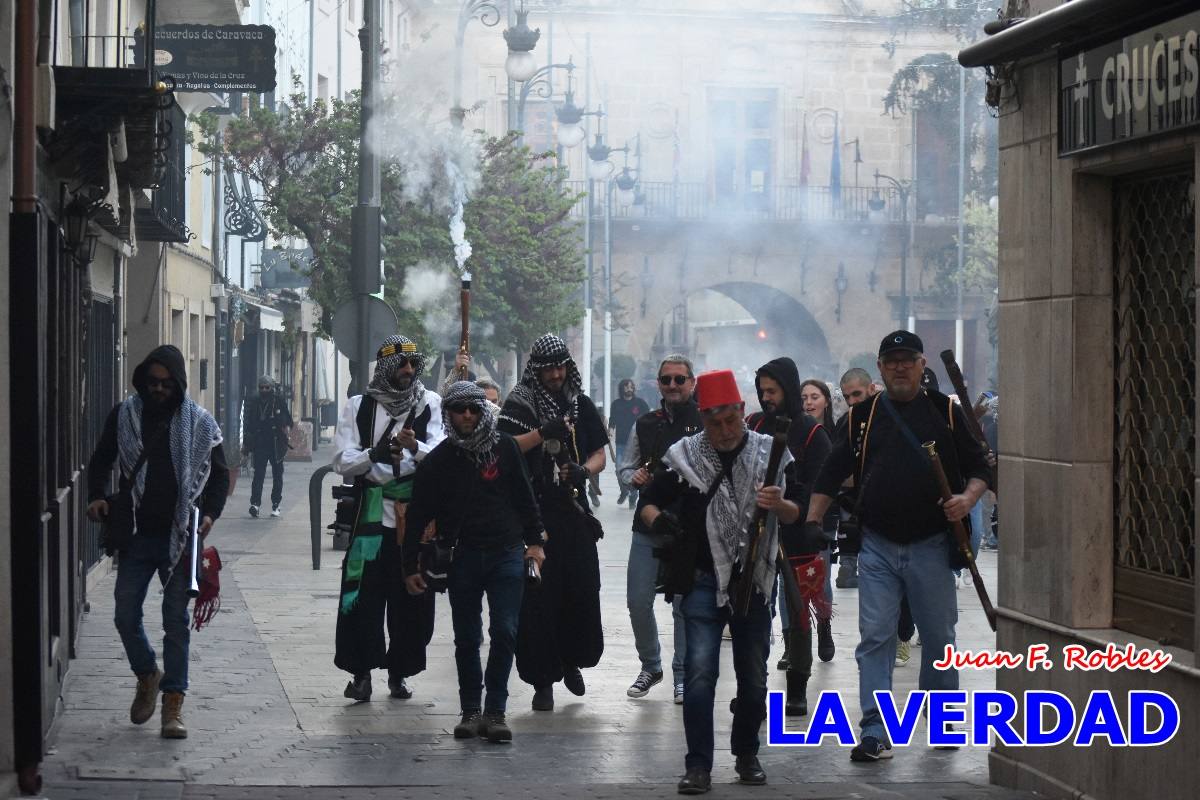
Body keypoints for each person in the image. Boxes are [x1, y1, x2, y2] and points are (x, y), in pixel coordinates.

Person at [806, 331, 990, 762]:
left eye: (908, 360)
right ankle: (875, 728)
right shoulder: (860, 418)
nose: (900, 367)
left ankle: (943, 718)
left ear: (922, 364)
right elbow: (829, 475)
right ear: (881, 367)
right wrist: (813, 522)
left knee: (940, 638)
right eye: (892, 361)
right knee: (876, 636)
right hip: (878, 546)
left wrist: (967, 498)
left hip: (931, 543)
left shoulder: (945, 411)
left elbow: (980, 467)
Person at [641, 370, 800, 793]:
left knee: (754, 679)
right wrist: (666, 522)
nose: (725, 431)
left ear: (742, 412)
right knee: (698, 676)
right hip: (699, 581)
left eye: (731, 420)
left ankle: (747, 753)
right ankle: (698, 766)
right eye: (715, 423)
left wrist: (779, 503)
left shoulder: (772, 454)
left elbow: (797, 514)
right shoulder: (684, 457)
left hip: (755, 581)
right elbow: (648, 502)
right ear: (703, 418)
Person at [86, 345, 229, 739]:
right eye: (152, 382)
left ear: (179, 383)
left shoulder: (199, 423)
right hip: (136, 535)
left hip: (181, 537)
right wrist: (96, 495)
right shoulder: (126, 415)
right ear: (142, 381)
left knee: (175, 622)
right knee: (124, 615)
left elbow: (218, 475)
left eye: (167, 383)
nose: (159, 389)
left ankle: (172, 705)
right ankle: (148, 672)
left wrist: (211, 516)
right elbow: (101, 460)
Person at [402, 382, 546, 743]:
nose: (468, 415)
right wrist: (409, 568)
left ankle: (495, 711)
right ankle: (470, 710)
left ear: (484, 412)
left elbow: (526, 501)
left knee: (505, 631)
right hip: (462, 555)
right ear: (448, 413)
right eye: (460, 408)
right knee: (467, 637)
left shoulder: (506, 449)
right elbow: (418, 515)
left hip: (507, 553)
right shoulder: (438, 461)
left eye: (475, 409)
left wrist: (536, 543)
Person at [498, 334, 609, 711]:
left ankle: (572, 659)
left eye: (561, 367)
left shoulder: (580, 405)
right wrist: (543, 433)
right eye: (549, 368)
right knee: (537, 600)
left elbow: (599, 455)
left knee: (580, 589)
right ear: (538, 369)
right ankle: (542, 681)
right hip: (533, 515)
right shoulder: (519, 404)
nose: (557, 374)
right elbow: (506, 448)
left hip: (573, 514)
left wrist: (582, 471)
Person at [332, 335, 445, 703]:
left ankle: (399, 673)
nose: (408, 371)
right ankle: (361, 674)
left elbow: (440, 456)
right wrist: (374, 454)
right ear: (384, 368)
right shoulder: (357, 406)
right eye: (400, 365)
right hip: (370, 520)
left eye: (412, 364)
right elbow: (341, 460)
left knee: (411, 602)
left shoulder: (431, 404)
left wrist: (415, 447)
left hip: (413, 524)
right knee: (362, 601)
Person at [746, 361, 833, 717]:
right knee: (752, 610)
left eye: (773, 391)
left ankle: (798, 685)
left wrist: (793, 509)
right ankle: (753, 686)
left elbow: (818, 488)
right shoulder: (753, 425)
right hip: (755, 532)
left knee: (798, 612)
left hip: (796, 533)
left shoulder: (813, 434)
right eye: (762, 391)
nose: (766, 399)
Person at [617, 355, 702, 704]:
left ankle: (683, 674)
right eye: (666, 380)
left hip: (690, 526)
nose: (672, 386)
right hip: (648, 524)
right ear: (658, 383)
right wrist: (633, 478)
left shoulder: (704, 420)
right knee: (638, 601)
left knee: (684, 606)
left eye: (680, 380)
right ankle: (651, 665)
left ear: (692, 383)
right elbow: (625, 468)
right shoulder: (647, 423)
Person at [832, 367, 878, 588]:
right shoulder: (845, 423)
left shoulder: (886, 415)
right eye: (846, 396)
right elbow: (834, 464)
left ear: (871, 388)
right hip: (852, 499)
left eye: (856, 394)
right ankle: (848, 568)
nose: (851, 401)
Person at [242, 375, 293, 518]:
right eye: (261, 388)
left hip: (276, 443)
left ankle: (276, 504)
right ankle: (255, 504)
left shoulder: (278, 400)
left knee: (277, 475)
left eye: (267, 387)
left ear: (271, 388)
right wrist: (247, 443)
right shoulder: (255, 401)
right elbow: (248, 423)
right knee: (258, 475)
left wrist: (282, 423)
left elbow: (289, 420)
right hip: (260, 443)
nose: (264, 390)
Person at [610, 378, 651, 507]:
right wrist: (610, 430)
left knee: (634, 470)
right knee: (618, 469)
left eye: (631, 386)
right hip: (621, 442)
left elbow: (649, 419)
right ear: (622, 388)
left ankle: (633, 495)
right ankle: (624, 491)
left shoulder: (641, 403)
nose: (629, 388)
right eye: (626, 386)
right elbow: (612, 420)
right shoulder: (616, 404)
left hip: (637, 443)